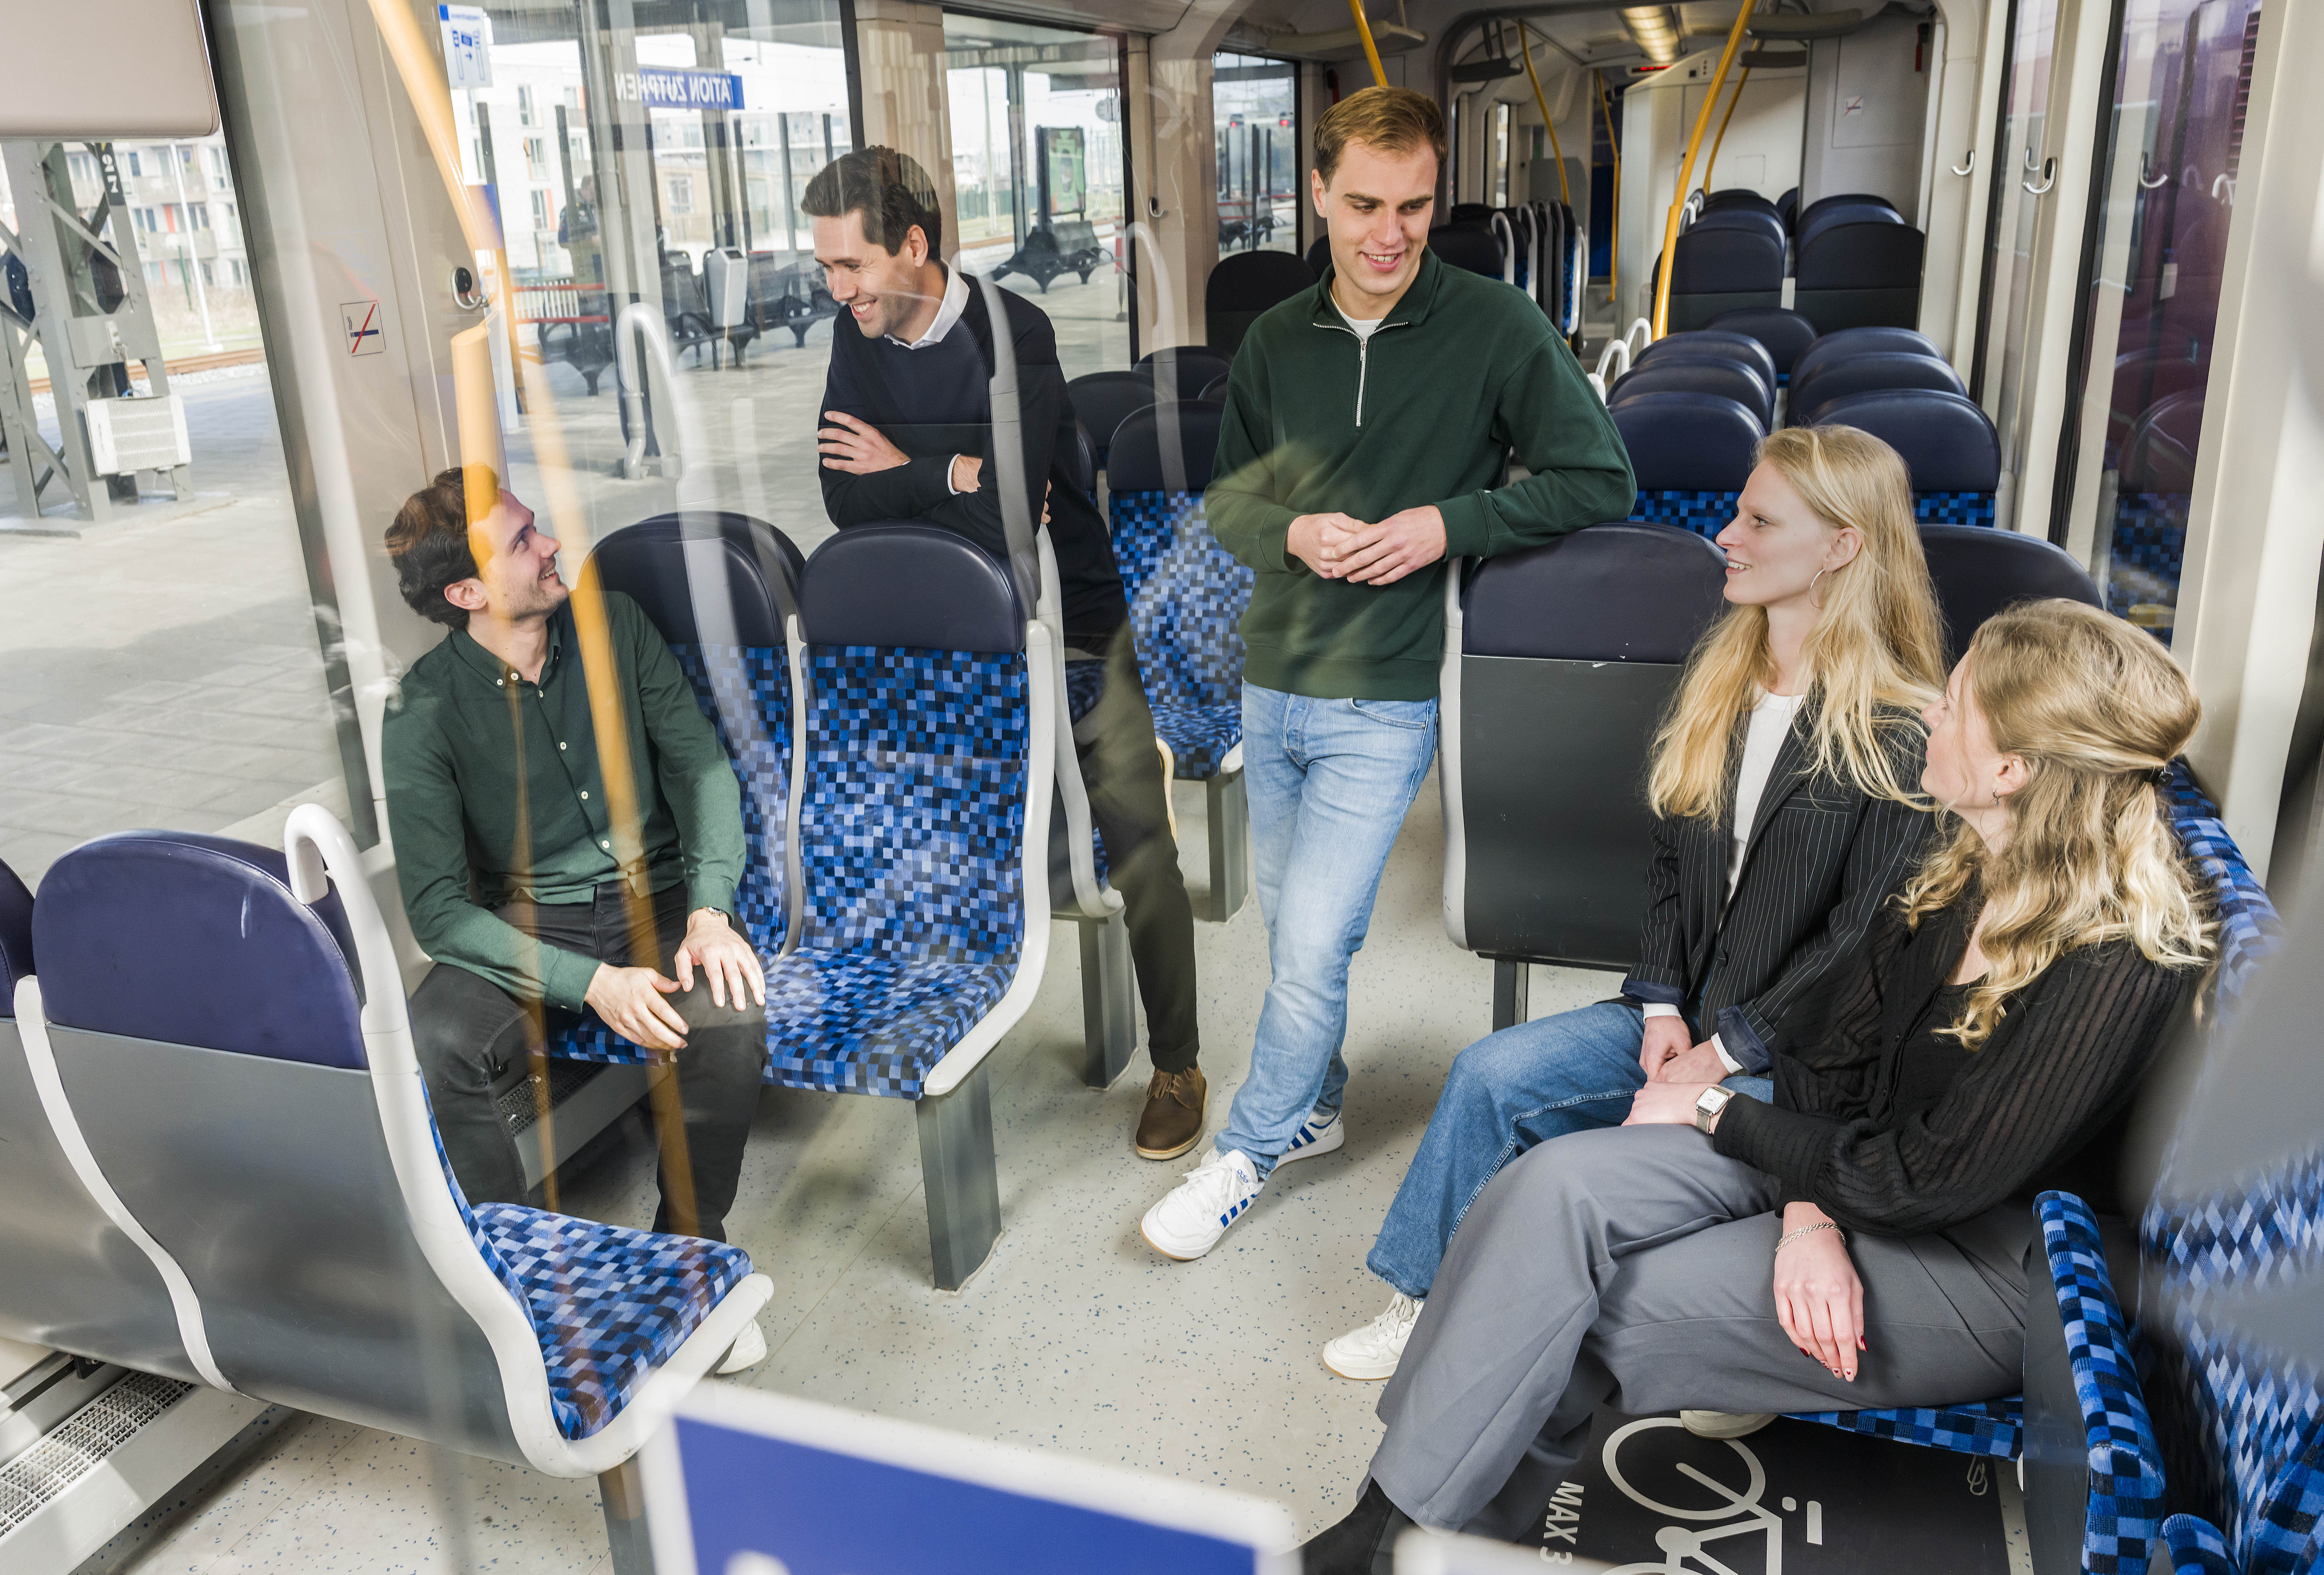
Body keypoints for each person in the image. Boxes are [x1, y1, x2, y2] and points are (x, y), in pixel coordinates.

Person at [1300, 599, 2215, 1575]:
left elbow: (1926, 1183)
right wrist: (1806, 1216)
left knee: (1597, 1311)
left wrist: (1718, 1118)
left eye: (1953, 705)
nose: (1928, 716)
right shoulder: (1964, 864)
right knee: (1545, 1189)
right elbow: (1830, 1053)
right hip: (1848, 1163)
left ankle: (1402, 1558)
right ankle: (1386, 1530)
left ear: (2013, 771)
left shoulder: (2116, 959)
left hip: (1990, 1261)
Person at [1324, 425, 1947, 1380]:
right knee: (1490, 1076)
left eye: (1758, 519)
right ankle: (1422, 1298)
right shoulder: (1724, 678)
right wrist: (1659, 1002)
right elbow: (1670, 865)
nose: (1726, 535)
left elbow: (1859, 942)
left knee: (1621, 1166)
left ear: (1844, 546)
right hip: (1683, 1016)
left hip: (1799, 1060)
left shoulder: (1899, 727)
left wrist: (1721, 1055)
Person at [1141, 86, 1635, 1260]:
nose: (1389, 233)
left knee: (1313, 940)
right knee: (1294, 935)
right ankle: (1316, 1107)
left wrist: (1445, 525)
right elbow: (1230, 501)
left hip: (1389, 693)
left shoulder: (1497, 327)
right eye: (1363, 203)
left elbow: (1600, 479)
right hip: (1276, 681)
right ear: (1317, 195)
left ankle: (1249, 1149)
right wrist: (1294, 534)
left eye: (1414, 207)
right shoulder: (1272, 342)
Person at [801, 146, 1210, 1160]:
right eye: (824, 270)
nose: (837, 290)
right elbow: (843, 500)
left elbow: (1013, 513)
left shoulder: (1009, 329)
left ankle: (1178, 1061)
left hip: (1068, 618)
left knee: (1134, 836)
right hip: (947, 631)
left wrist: (914, 469)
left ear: (914, 247)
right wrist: (947, 470)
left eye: (852, 266)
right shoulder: (855, 336)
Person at [378, 468, 773, 1367]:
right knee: (438, 1039)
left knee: (731, 1018)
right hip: (529, 922)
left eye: (535, 527)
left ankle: (691, 1257)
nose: (553, 544)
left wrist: (710, 914)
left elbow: (703, 771)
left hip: (659, 896)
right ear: (468, 593)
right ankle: (523, 1288)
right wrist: (588, 984)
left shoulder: (616, 627)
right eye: (524, 541)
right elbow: (438, 909)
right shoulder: (422, 712)